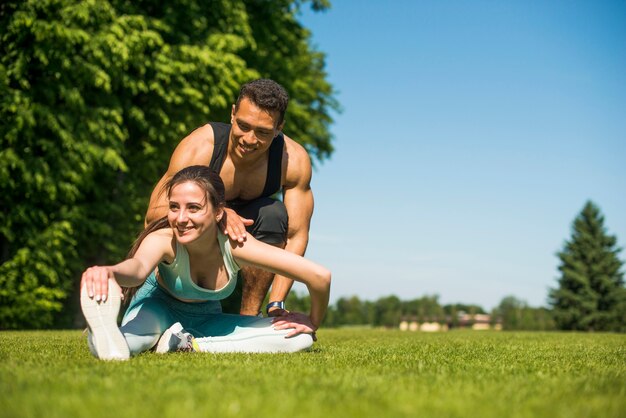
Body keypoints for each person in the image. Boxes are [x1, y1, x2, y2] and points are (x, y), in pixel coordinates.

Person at [80, 165, 330, 360]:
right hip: (155, 309)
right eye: (174, 207)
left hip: (206, 320)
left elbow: (319, 276)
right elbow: (137, 270)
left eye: (193, 208)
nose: (180, 218)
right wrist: (110, 273)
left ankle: (186, 344)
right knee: (131, 343)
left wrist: (312, 322)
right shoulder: (164, 239)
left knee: (299, 338)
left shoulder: (235, 245)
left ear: (218, 211)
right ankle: (102, 335)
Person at [144, 78, 314, 317]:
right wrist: (219, 214)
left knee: (273, 214)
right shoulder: (201, 145)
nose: (249, 139)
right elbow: (155, 213)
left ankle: (250, 316)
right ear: (233, 114)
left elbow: (297, 237)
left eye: (263, 132)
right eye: (243, 126)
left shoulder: (293, 160)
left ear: (279, 128)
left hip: (248, 228)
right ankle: (164, 299)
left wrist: (277, 302)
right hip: (199, 226)